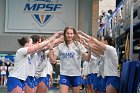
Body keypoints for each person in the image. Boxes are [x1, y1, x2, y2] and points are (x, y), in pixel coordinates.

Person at [48, 26, 91, 93]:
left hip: (76, 75)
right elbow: (53, 60)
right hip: (64, 74)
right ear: (65, 34)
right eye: (68, 33)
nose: (69, 35)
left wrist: (90, 48)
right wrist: (51, 46)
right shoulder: (60, 46)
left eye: (71, 33)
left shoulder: (78, 45)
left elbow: (87, 59)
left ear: (74, 35)